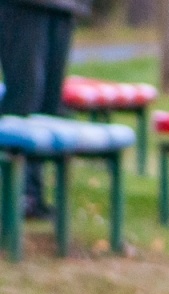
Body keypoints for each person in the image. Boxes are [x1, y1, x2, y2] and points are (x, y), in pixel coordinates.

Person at [0, 0, 88, 219]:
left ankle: (33, 194)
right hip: (23, 7)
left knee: (49, 106)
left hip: (63, 7)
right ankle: (15, 193)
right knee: (25, 96)